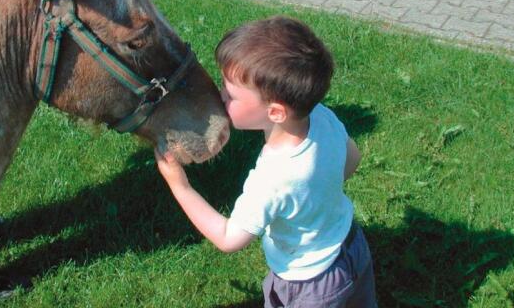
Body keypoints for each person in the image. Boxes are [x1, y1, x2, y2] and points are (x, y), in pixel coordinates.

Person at [154, 16, 377, 307]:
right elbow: (353, 159)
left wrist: (181, 186)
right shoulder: (322, 116)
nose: (220, 96)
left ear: (275, 113)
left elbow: (228, 238)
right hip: (352, 248)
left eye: (230, 93)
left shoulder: (272, 178)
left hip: (309, 284)